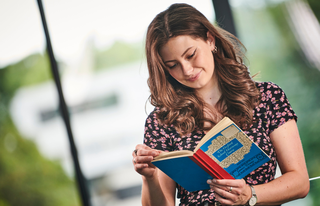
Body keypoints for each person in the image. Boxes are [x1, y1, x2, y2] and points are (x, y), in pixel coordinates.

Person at [132, 3, 309, 206]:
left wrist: (249, 194)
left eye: (191, 55)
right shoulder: (161, 122)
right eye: (173, 65)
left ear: (210, 40)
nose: (187, 70)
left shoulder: (267, 97)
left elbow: (300, 182)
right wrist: (149, 177)